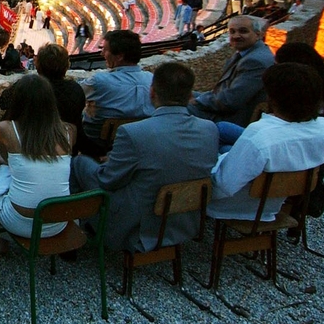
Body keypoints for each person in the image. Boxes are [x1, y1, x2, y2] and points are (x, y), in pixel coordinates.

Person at [70, 63, 219, 251]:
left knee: (79, 163)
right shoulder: (210, 129)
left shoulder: (134, 133)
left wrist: (112, 162)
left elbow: (108, 180)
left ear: (152, 93)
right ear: (190, 96)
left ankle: (78, 229)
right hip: (184, 225)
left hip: (139, 229)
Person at [207, 64, 324, 221]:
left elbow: (221, 188)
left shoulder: (260, 136)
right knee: (226, 143)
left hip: (236, 207)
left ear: (272, 97)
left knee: (216, 143)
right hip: (273, 201)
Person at [0, 75, 73, 238]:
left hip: (20, 222)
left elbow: (9, 160)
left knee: (2, 172)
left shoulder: (5, 129)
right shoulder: (68, 131)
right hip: (58, 222)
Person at [77, 30, 153, 158]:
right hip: (140, 145)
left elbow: (74, 94)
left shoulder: (99, 81)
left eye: (105, 50)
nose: (102, 53)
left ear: (119, 56)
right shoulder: (152, 80)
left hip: (97, 146)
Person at [190, 15, 275, 128]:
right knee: (177, 94)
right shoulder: (249, 53)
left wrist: (197, 101)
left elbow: (229, 101)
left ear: (258, 34)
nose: (236, 36)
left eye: (243, 31)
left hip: (230, 119)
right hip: (227, 111)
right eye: (232, 32)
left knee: (172, 107)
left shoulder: (255, 62)